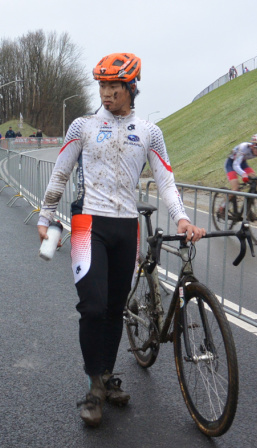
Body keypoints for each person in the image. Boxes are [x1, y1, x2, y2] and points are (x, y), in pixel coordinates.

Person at [36, 53, 204, 427]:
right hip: (85, 224)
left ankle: (106, 376)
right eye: (102, 86)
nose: (107, 93)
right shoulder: (82, 126)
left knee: (114, 309)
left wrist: (182, 217)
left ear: (131, 88)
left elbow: (166, 180)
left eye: (114, 87)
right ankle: (94, 386)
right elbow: (61, 173)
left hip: (127, 227)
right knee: (92, 307)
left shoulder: (149, 132)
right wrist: (45, 216)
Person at [216, 133, 257, 218]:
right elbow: (236, 165)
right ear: (252, 146)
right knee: (235, 188)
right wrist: (243, 175)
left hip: (242, 163)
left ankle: (248, 209)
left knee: (254, 180)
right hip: (231, 164)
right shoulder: (244, 147)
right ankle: (222, 207)